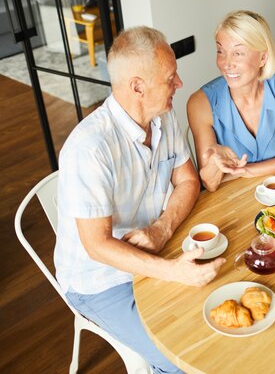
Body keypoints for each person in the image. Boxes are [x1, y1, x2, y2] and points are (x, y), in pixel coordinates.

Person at [54, 26, 226, 374]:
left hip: (158, 246)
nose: (179, 84)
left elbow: (188, 179)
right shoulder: (90, 148)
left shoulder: (162, 117)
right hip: (101, 279)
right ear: (137, 86)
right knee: (181, 357)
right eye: (171, 77)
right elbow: (98, 246)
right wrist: (173, 272)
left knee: (218, 322)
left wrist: (162, 229)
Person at [187, 10, 275, 192]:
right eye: (221, 51)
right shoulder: (199, 103)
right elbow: (211, 184)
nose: (226, 63)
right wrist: (214, 164)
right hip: (229, 199)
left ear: (263, 57)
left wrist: (243, 171)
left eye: (238, 53)